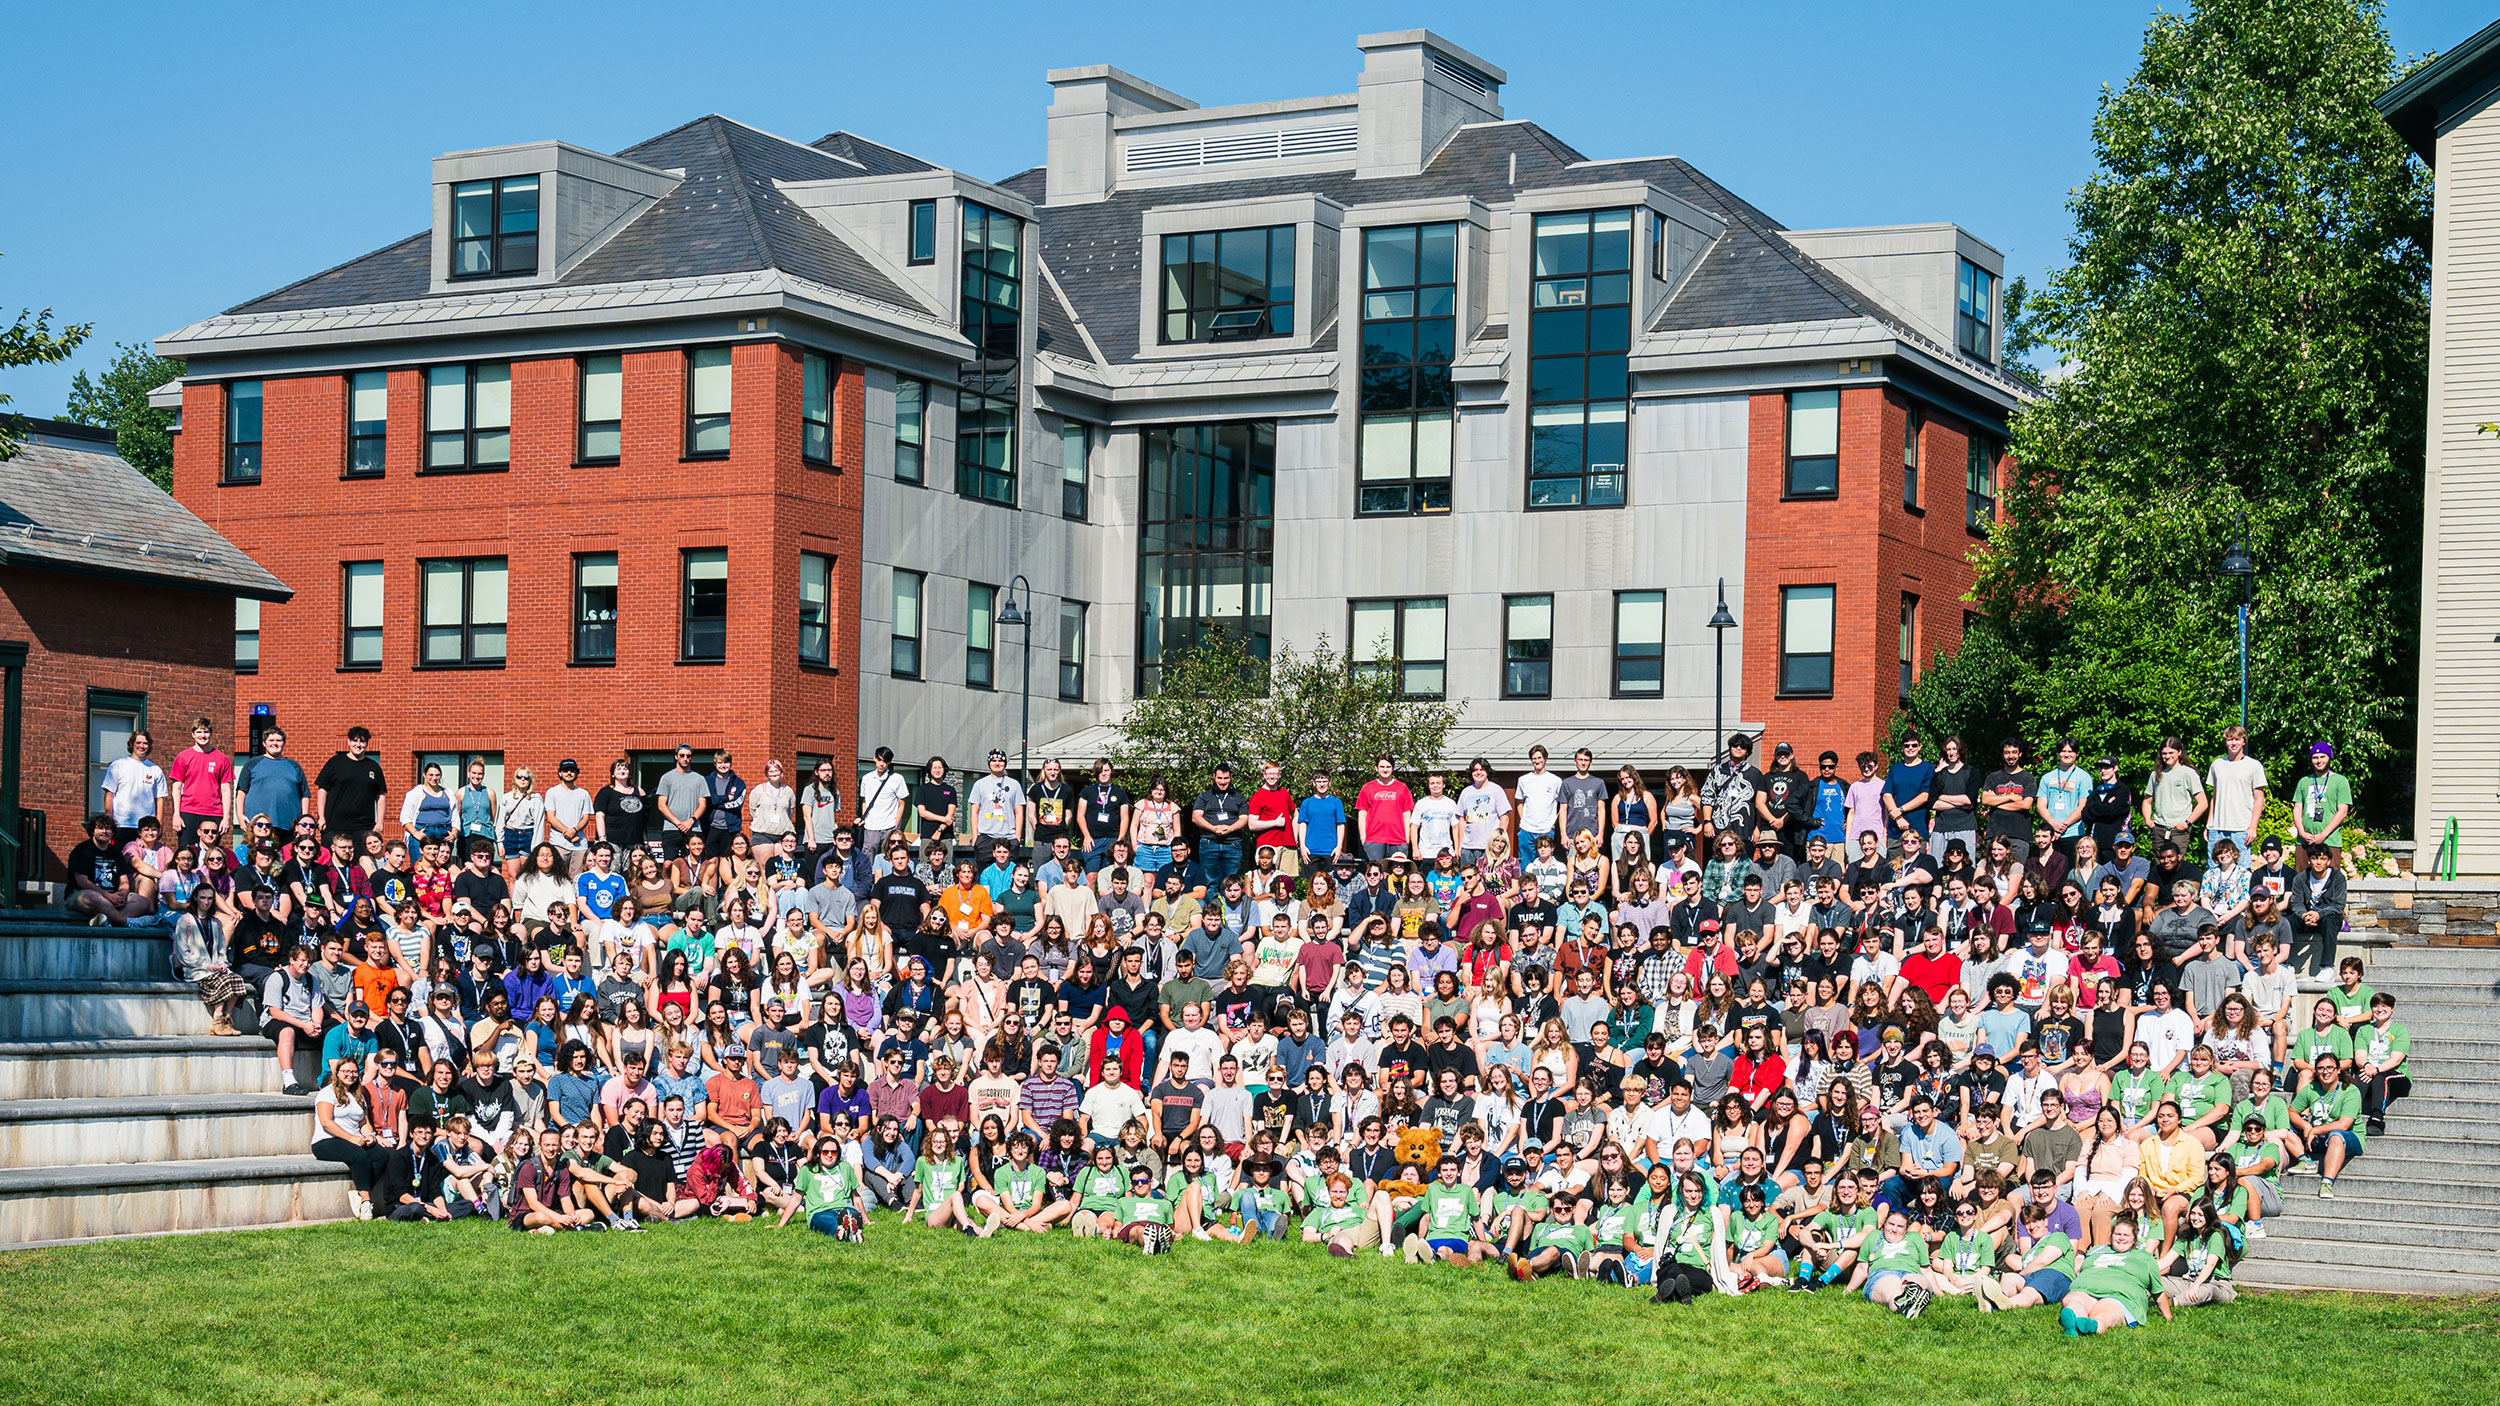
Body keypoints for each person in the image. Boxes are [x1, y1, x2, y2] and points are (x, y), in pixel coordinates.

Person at [2061, 1214, 2172, 1333]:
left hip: (2119, 1296)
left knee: (2103, 1311)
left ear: (2134, 1239)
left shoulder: (2145, 1258)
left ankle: (2095, 1326)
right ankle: (2077, 1321)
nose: (2121, 1238)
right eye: (2117, 1234)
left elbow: (2157, 1291)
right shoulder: (2096, 1250)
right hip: (2086, 1290)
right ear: (2111, 1235)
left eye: (2126, 1235)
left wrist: (2168, 1317)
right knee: (2075, 1300)